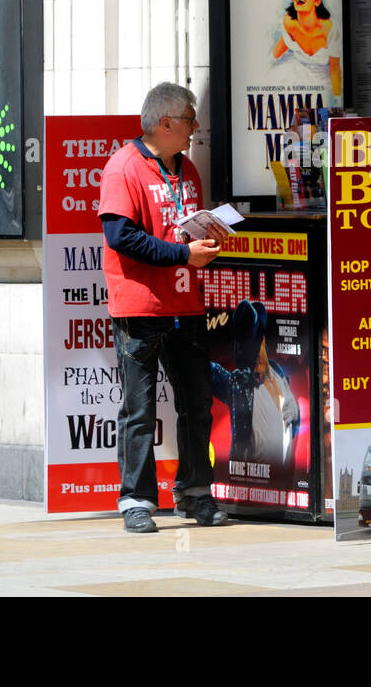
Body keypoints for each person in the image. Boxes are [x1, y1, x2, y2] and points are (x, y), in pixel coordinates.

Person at [98, 82, 231, 533]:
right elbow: (121, 237)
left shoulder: (187, 169)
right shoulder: (124, 168)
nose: (196, 128)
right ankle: (136, 499)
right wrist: (181, 255)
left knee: (197, 405)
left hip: (187, 306)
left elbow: (180, 230)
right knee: (140, 411)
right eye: (191, 119)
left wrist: (208, 238)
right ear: (167, 122)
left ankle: (195, 494)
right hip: (140, 309)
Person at [211, 300, 300, 469]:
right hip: (246, 476)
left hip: (277, 477)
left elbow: (294, 424)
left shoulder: (278, 377)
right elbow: (208, 371)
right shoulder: (237, 383)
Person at [272, 0, 342, 103]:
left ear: (317, 1)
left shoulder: (330, 29)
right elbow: (276, 53)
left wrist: (337, 99)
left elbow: (335, 68)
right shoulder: (288, 22)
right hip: (296, 80)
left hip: (323, 87)